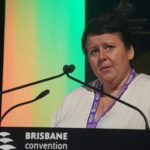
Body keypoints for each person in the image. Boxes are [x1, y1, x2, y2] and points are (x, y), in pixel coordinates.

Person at [51, 12, 150, 129]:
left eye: (109, 47)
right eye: (94, 51)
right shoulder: (71, 100)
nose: (102, 57)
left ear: (130, 51)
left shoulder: (146, 91)